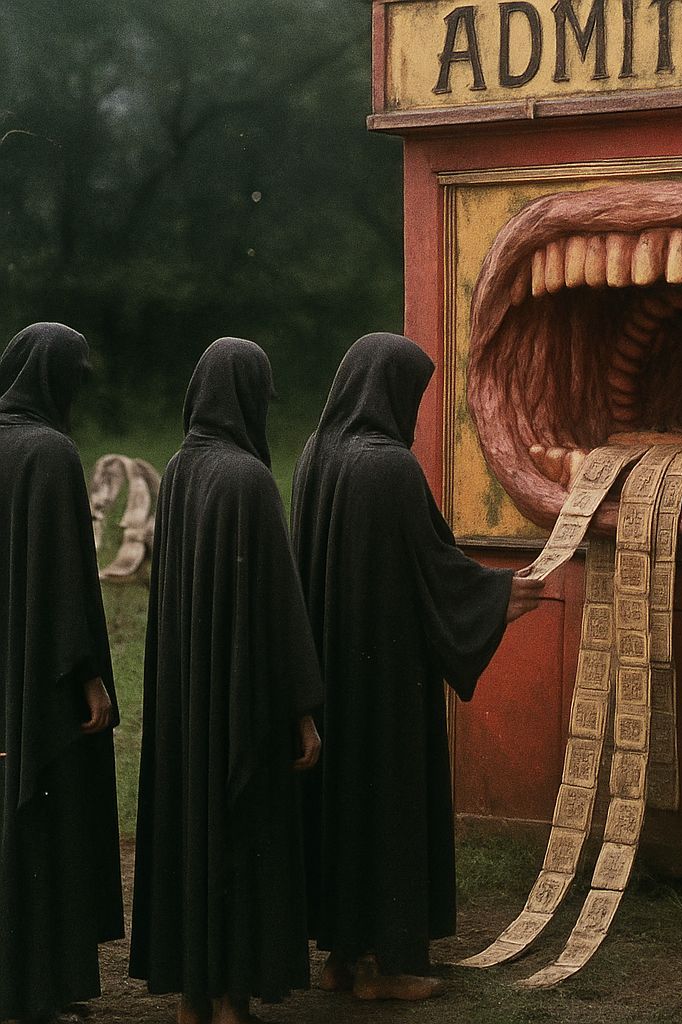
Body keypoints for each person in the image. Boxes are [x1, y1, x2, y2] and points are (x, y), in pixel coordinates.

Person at [290, 332, 544, 1001]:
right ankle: (387, 966)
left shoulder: (315, 455)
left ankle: (343, 956)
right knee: (388, 803)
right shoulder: (390, 466)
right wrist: (500, 595)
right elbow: (434, 566)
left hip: (328, 671)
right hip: (386, 680)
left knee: (342, 805)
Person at [129, 338, 324, 1024]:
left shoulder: (179, 469)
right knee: (242, 836)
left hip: (191, 704)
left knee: (195, 833)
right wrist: (302, 710)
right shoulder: (248, 480)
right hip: (243, 704)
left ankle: (192, 998)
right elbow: (280, 609)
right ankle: (234, 1002)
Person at [0, 323, 124, 1023]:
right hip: (43, 676)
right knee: (44, 818)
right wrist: (89, 677)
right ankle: (40, 991)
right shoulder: (49, 453)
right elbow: (64, 586)